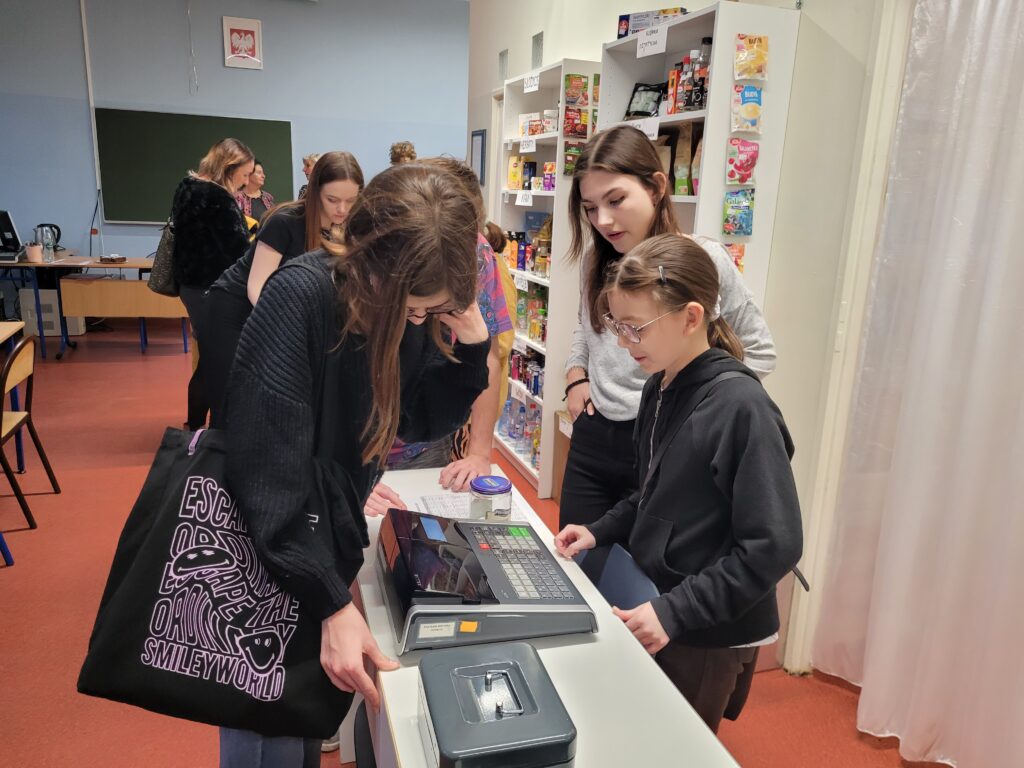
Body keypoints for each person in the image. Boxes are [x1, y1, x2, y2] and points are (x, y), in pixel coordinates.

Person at [221, 162, 492, 767]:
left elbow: (415, 417)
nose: (418, 323)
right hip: (266, 559)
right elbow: (266, 479)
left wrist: (474, 346)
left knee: (303, 722)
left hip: (312, 547)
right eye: (414, 311)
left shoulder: (399, 303)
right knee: (268, 732)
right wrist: (329, 600)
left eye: (430, 314)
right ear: (370, 266)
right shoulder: (299, 296)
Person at [554, 233, 802, 733]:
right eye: (617, 326)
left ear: (691, 317)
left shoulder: (740, 408)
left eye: (636, 328)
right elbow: (651, 492)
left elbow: (774, 545)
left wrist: (676, 611)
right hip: (663, 605)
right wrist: (600, 530)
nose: (623, 343)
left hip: (704, 630)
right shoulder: (659, 386)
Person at [560, 125, 776, 534]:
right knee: (577, 559)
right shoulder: (595, 259)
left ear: (657, 187)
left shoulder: (702, 259)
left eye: (616, 200)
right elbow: (587, 326)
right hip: (594, 434)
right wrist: (576, 376)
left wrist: (693, 412)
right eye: (589, 208)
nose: (603, 220)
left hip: (665, 444)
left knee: (647, 567)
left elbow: (758, 351)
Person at [363, 158, 514, 518]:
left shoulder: (479, 257)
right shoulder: (372, 258)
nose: (419, 316)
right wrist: (345, 475)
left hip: (424, 442)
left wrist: (479, 452)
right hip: (356, 443)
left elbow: (488, 355)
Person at [203, 151, 364, 426]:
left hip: (277, 311)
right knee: (232, 394)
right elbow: (257, 287)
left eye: (351, 201)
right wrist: (292, 328)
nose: (342, 209)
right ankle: (217, 446)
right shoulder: (286, 221)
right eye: (332, 200)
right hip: (233, 309)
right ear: (315, 192)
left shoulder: (347, 228)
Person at [170, 138, 253, 430]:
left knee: (209, 359)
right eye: (244, 174)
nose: (245, 182)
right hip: (214, 289)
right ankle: (216, 431)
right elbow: (240, 249)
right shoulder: (219, 198)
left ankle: (195, 427)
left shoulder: (187, 187)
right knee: (218, 364)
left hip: (190, 287)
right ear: (229, 167)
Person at [234, 159, 275, 224]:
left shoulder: (268, 197)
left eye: (263, 173)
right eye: (259, 173)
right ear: (248, 174)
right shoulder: (237, 198)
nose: (263, 176)